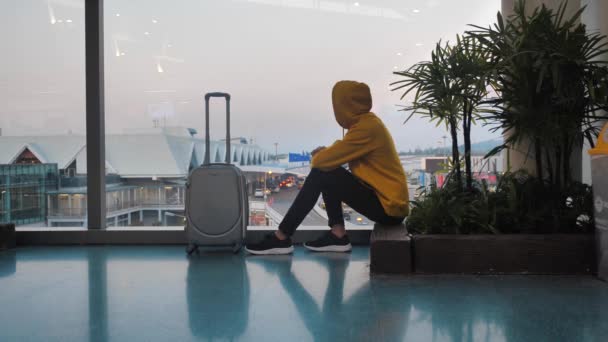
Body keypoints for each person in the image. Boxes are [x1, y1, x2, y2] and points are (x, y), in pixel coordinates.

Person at [245, 80, 409, 255]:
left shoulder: (366, 128)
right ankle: (337, 235)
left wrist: (321, 156)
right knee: (329, 171)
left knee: (322, 171)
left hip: (388, 208)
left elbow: (321, 162)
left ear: (346, 106)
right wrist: (326, 154)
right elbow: (338, 152)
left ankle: (282, 237)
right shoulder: (368, 124)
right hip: (389, 205)